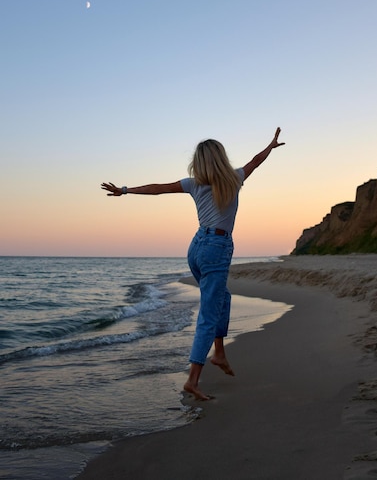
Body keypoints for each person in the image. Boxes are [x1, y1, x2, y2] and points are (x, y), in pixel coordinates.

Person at [101, 127, 285, 400]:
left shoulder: (193, 183)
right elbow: (256, 160)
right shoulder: (235, 178)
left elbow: (158, 189)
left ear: (199, 162)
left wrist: (125, 190)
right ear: (221, 157)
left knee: (222, 298)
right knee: (209, 314)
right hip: (217, 249)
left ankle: (219, 353)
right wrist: (270, 146)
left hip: (196, 248)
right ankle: (192, 380)